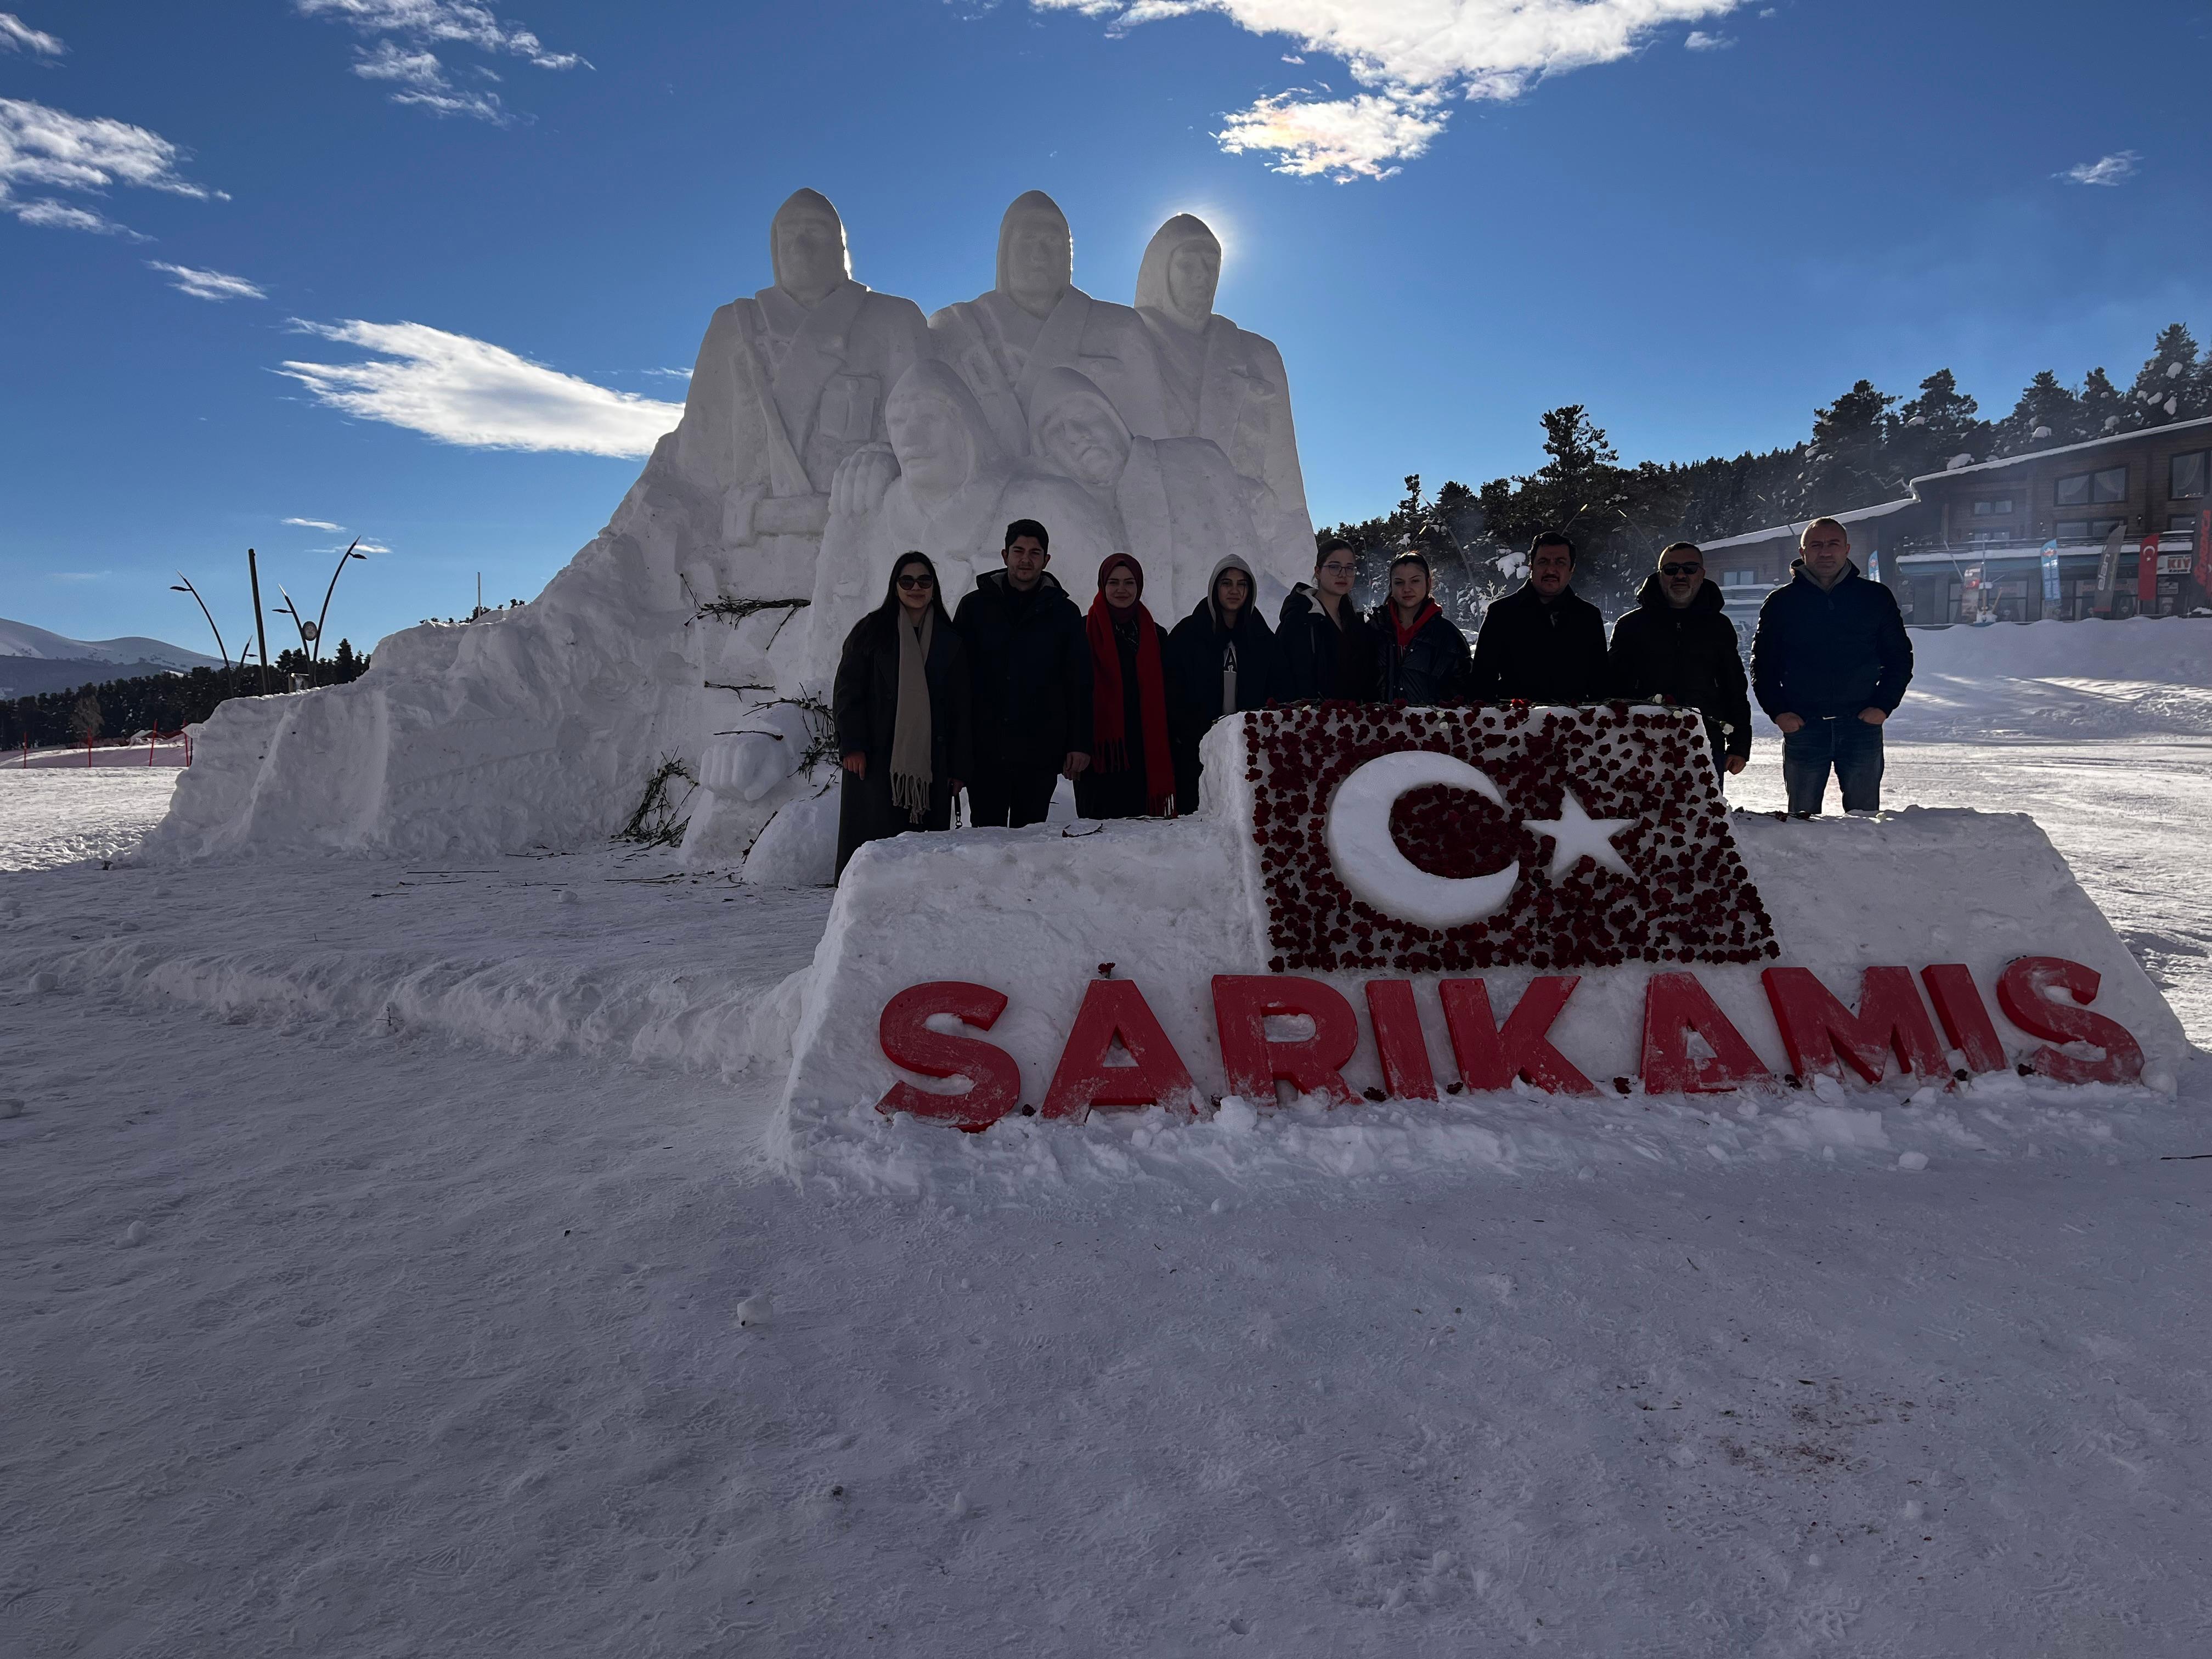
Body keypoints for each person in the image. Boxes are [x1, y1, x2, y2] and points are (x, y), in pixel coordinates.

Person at [1751, 517, 1913, 815]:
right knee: (1802, 819)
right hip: (1804, 727)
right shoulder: (1781, 602)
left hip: (1861, 727)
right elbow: (1763, 665)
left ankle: (1861, 863)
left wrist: (1883, 706)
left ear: (1847, 549)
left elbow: (1899, 658)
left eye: (1833, 544)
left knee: (1864, 821)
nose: (1825, 552)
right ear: (1803, 552)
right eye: (1816, 545)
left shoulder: (1875, 598)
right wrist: (1779, 712)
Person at [832, 553, 973, 878]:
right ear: (895, 586)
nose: (916, 588)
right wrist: (852, 745)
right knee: (874, 850)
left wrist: (959, 767)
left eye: (925, 581)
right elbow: (847, 693)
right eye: (907, 581)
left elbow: (961, 709)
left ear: (934, 587)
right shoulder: (870, 632)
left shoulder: (950, 640)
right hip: (876, 759)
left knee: (921, 858)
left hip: (931, 765)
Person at [953, 518, 1092, 827]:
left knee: (1030, 841)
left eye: (1035, 552)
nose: (1026, 559)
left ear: (1046, 559)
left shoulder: (1064, 614)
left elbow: (1078, 682)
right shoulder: (974, 608)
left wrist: (1079, 742)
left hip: (1039, 750)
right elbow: (957, 680)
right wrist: (957, 746)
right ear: (1005, 556)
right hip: (987, 748)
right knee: (986, 838)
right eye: (1019, 551)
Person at [1607, 541, 1752, 781]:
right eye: (1671, 569)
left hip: (1705, 742)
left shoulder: (1719, 626)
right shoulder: (1631, 626)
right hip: (1641, 744)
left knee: (1704, 816)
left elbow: (1734, 689)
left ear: (1702, 574)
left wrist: (1739, 746)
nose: (1681, 575)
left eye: (1690, 568)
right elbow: (1611, 687)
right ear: (1660, 574)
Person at [1165, 554, 1290, 812]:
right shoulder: (1187, 634)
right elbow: (1171, 691)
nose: (1235, 591)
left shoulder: (1262, 639)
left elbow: (1278, 692)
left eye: (1241, 584)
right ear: (1215, 588)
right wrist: (1185, 735)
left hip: (1249, 752)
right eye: (1227, 583)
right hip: (1195, 751)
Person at [1075, 553, 1178, 820]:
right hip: (1099, 757)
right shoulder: (1082, 631)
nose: (1122, 590)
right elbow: (1073, 691)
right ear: (1102, 585)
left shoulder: (1156, 635)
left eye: (1129, 583)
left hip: (1143, 753)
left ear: (1139, 587)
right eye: (1114, 582)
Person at [1469, 532, 1609, 703]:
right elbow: (1481, 682)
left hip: (1574, 725)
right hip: (1513, 724)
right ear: (1531, 566)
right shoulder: (1502, 614)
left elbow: (1600, 685)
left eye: (1560, 562)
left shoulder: (1588, 617)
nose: (1551, 570)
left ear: (1571, 569)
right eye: (1543, 562)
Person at [1279, 538, 1379, 702]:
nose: (1343, 574)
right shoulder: (1299, 621)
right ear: (1318, 571)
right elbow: (1284, 682)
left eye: (1349, 568)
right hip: (1311, 723)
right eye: (1334, 567)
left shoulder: (1356, 624)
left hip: (1355, 723)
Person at [1374, 550, 1471, 704]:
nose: (1407, 589)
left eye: (1415, 581)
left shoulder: (1447, 635)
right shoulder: (1374, 630)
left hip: (1432, 726)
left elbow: (1465, 690)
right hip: (1379, 725)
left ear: (1429, 583)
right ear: (1391, 586)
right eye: (1399, 582)